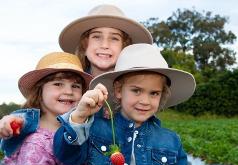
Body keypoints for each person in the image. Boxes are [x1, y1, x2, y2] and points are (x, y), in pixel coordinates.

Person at [53, 43, 196, 165]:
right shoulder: (97, 128)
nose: (145, 100)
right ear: (119, 91)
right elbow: (66, 156)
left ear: (161, 95)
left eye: (153, 93)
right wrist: (78, 117)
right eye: (136, 90)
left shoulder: (170, 140)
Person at [1, 52, 140, 165]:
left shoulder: (86, 130)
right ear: (39, 91)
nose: (68, 91)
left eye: (75, 86)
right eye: (58, 84)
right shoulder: (34, 145)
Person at [0, 3, 152, 141]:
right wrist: (16, 119)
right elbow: (45, 111)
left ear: (124, 48)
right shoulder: (74, 84)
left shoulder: (135, 87)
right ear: (85, 46)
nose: (105, 45)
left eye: (114, 38)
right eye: (96, 37)